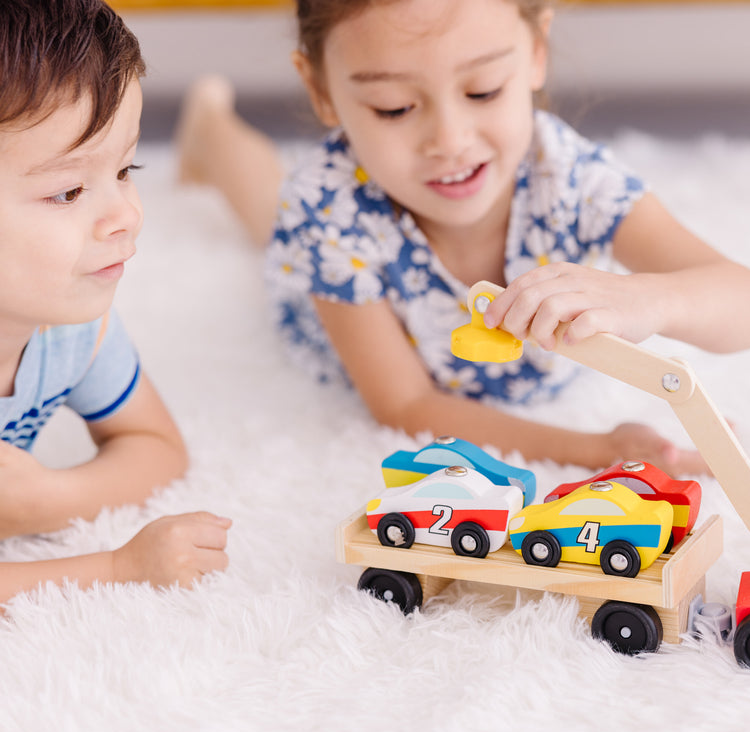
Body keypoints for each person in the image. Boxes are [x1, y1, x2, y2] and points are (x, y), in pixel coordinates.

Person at [177, 0, 750, 475]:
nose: (449, 140)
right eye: (394, 107)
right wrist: (599, 450)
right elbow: (405, 403)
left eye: (482, 91)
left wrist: (651, 298)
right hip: (327, 296)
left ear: (536, 52)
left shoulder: (575, 180)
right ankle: (210, 126)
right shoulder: (328, 211)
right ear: (320, 89)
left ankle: (210, 127)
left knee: (270, 206)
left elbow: (739, 302)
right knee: (267, 212)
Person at [0, 0, 231, 602]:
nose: (126, 215)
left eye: (128, 168)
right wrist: (115, 569)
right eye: (69, 191)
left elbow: (157, 447)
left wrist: (49, 499)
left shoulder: (72, 330)